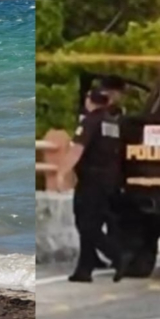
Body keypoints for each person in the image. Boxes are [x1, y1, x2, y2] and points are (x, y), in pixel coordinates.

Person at [58, 90, 125, 283]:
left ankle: (118, 255)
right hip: (109, 180)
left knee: (86, 225)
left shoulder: (90, 121)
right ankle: (84, 269)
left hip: (91, 181)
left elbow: (76, 150)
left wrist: (62, 173)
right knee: (92, 223)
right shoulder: (112, 122)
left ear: (90, 101)